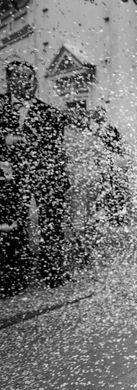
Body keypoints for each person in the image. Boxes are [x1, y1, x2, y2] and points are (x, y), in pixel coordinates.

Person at [0, 60, 72, 287]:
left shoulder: (50, 113)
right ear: (10, 80)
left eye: (31, 77)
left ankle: (52, 272)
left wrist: (60, 180)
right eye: (21, 76)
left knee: (52, 223)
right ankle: (14, 277)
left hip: (45, 176)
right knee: (12, 225)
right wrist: (5, 141)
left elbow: (55, 149)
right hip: (8, 178)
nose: (27, 81)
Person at [0, 160, 29, 297]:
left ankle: (15, 280)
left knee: (15, 245)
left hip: (12, 223)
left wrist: (16, 221)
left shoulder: (12, 186)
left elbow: (20, 205)